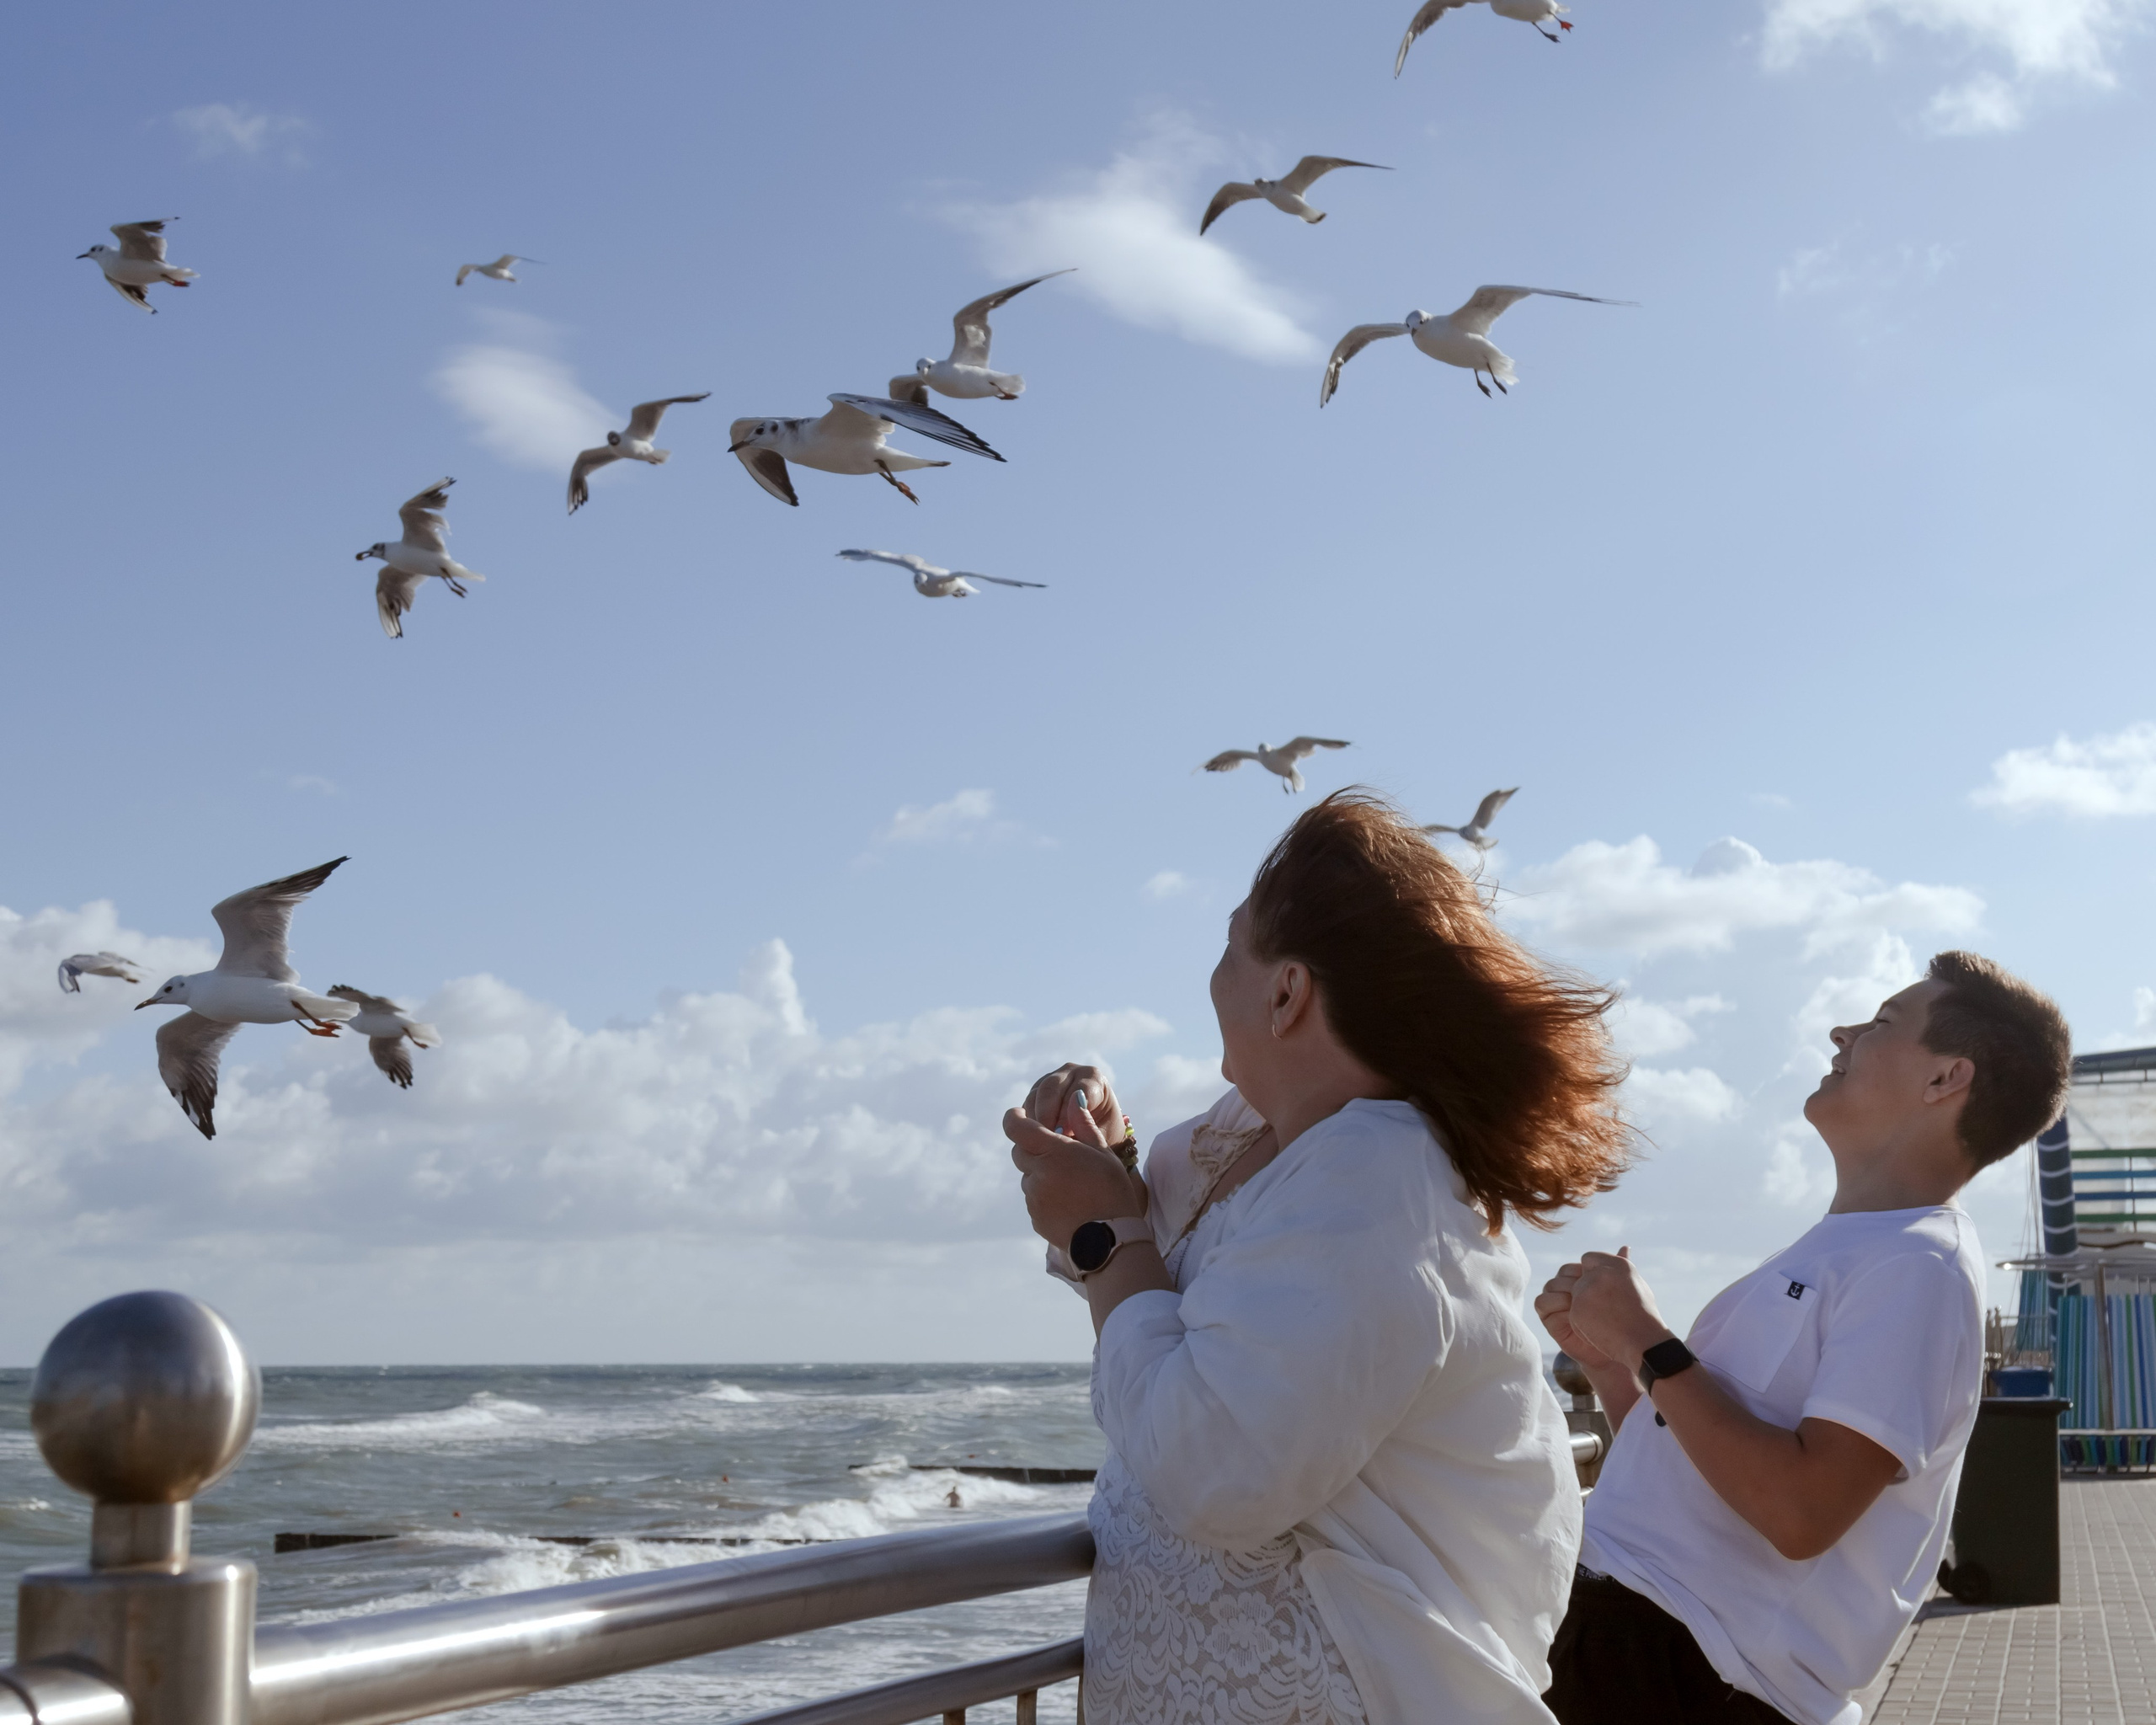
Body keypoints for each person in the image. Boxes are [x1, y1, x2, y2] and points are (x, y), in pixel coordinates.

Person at [1006, 793, 1632, 1725]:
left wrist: (1103, 1236)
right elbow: (1171, 1281)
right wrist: (1112, 1168)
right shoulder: (1267, 1142)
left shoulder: (1379, 1173)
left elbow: (1219, 1467)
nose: (1212, 977)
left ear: (1287, 992)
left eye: (1230, 949)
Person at [1534, 951, 2073, 1725]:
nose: (1841, 1031)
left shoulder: (1919, 1266)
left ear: (1944, 1080)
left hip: (1690, 1674)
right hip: (1649, 1651)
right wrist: (1618, 1367)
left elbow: (1803, 1514)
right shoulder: (1859, 1249)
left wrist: (1650, 1342)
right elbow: (1702, 1485)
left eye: (1882, 1022)